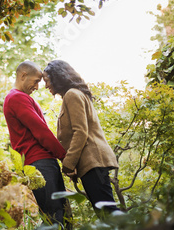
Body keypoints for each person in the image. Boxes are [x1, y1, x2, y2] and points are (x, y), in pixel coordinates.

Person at [42, 60, 121, 213]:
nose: (46, 85)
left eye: (47, 80)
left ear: (57, 76)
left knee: (107, 212)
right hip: (90, 164)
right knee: (105, 212)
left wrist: (68, 164)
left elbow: (80, 132)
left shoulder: (72, 95)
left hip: (93, 161)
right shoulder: (73, 94)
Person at [3, 61, 71, 228]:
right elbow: (40, 130)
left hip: (41, 162)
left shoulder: (20, 98)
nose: (38, 86)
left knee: (60, 213)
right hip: (40, 163)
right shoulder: (17, 98)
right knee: (55, 216)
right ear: (23, 76)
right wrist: (64, 157)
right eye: (35, 81)